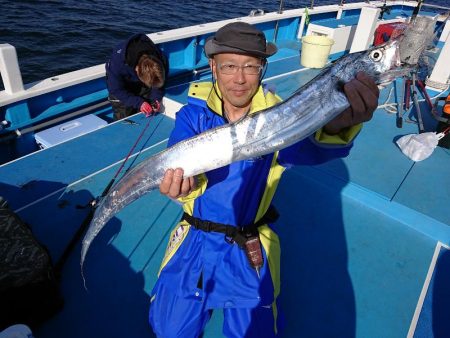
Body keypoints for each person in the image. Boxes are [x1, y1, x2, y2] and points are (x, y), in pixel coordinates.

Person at [149, 22, 379, 337]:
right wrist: (182, 185)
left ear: (262, 68)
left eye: (251, 67)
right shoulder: (193, 114)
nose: (240, 79)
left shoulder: (281, 117)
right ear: (214, 67)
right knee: (168, 329)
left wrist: (337, 124)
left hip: (248, 244)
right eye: (229, 66)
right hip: (193, 240)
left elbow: (310, 149)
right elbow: (178, 155)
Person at [105, 33, 168, 120]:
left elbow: (159, 84)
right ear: (137, 72)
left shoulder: (161, 59)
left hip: (143, 84)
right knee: (124, 116)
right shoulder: (118, 63)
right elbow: (115, 89)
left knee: (147, 110)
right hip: (121, 86)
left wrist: (156, 99)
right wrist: (139, 103)